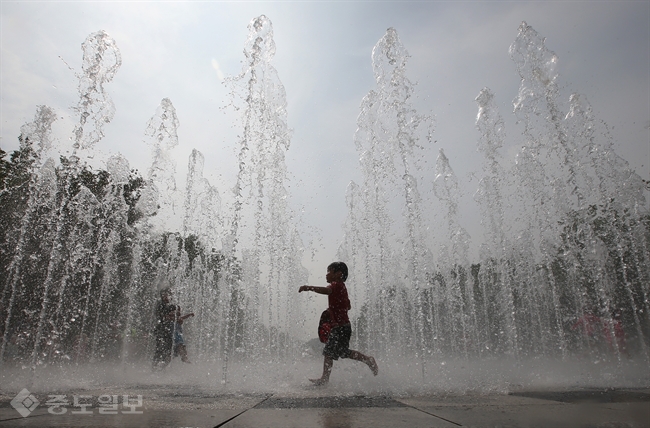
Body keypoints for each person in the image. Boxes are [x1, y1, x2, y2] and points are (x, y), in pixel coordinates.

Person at [299, 261, 378, 385]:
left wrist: (309, 288)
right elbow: (349, 306)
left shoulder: (335, 285)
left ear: (339, 274)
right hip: (343, 327)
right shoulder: (342, 287)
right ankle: (367, 360)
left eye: (329, 271)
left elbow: (326, 291)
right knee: (342, 352)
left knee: (329, 352)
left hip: (340, 327)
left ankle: (325, 379)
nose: (326, 275)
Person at [153, 288, 176, 370]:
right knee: (159, 348)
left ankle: (163, 366)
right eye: (164, 295)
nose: (166, 296)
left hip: (169, 330)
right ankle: (155, 366)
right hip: (161, 329)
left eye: (167, 295)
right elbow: (159, 315)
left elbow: (176, 313)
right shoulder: (160, 305)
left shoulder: (172, 305)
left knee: (170, 349)